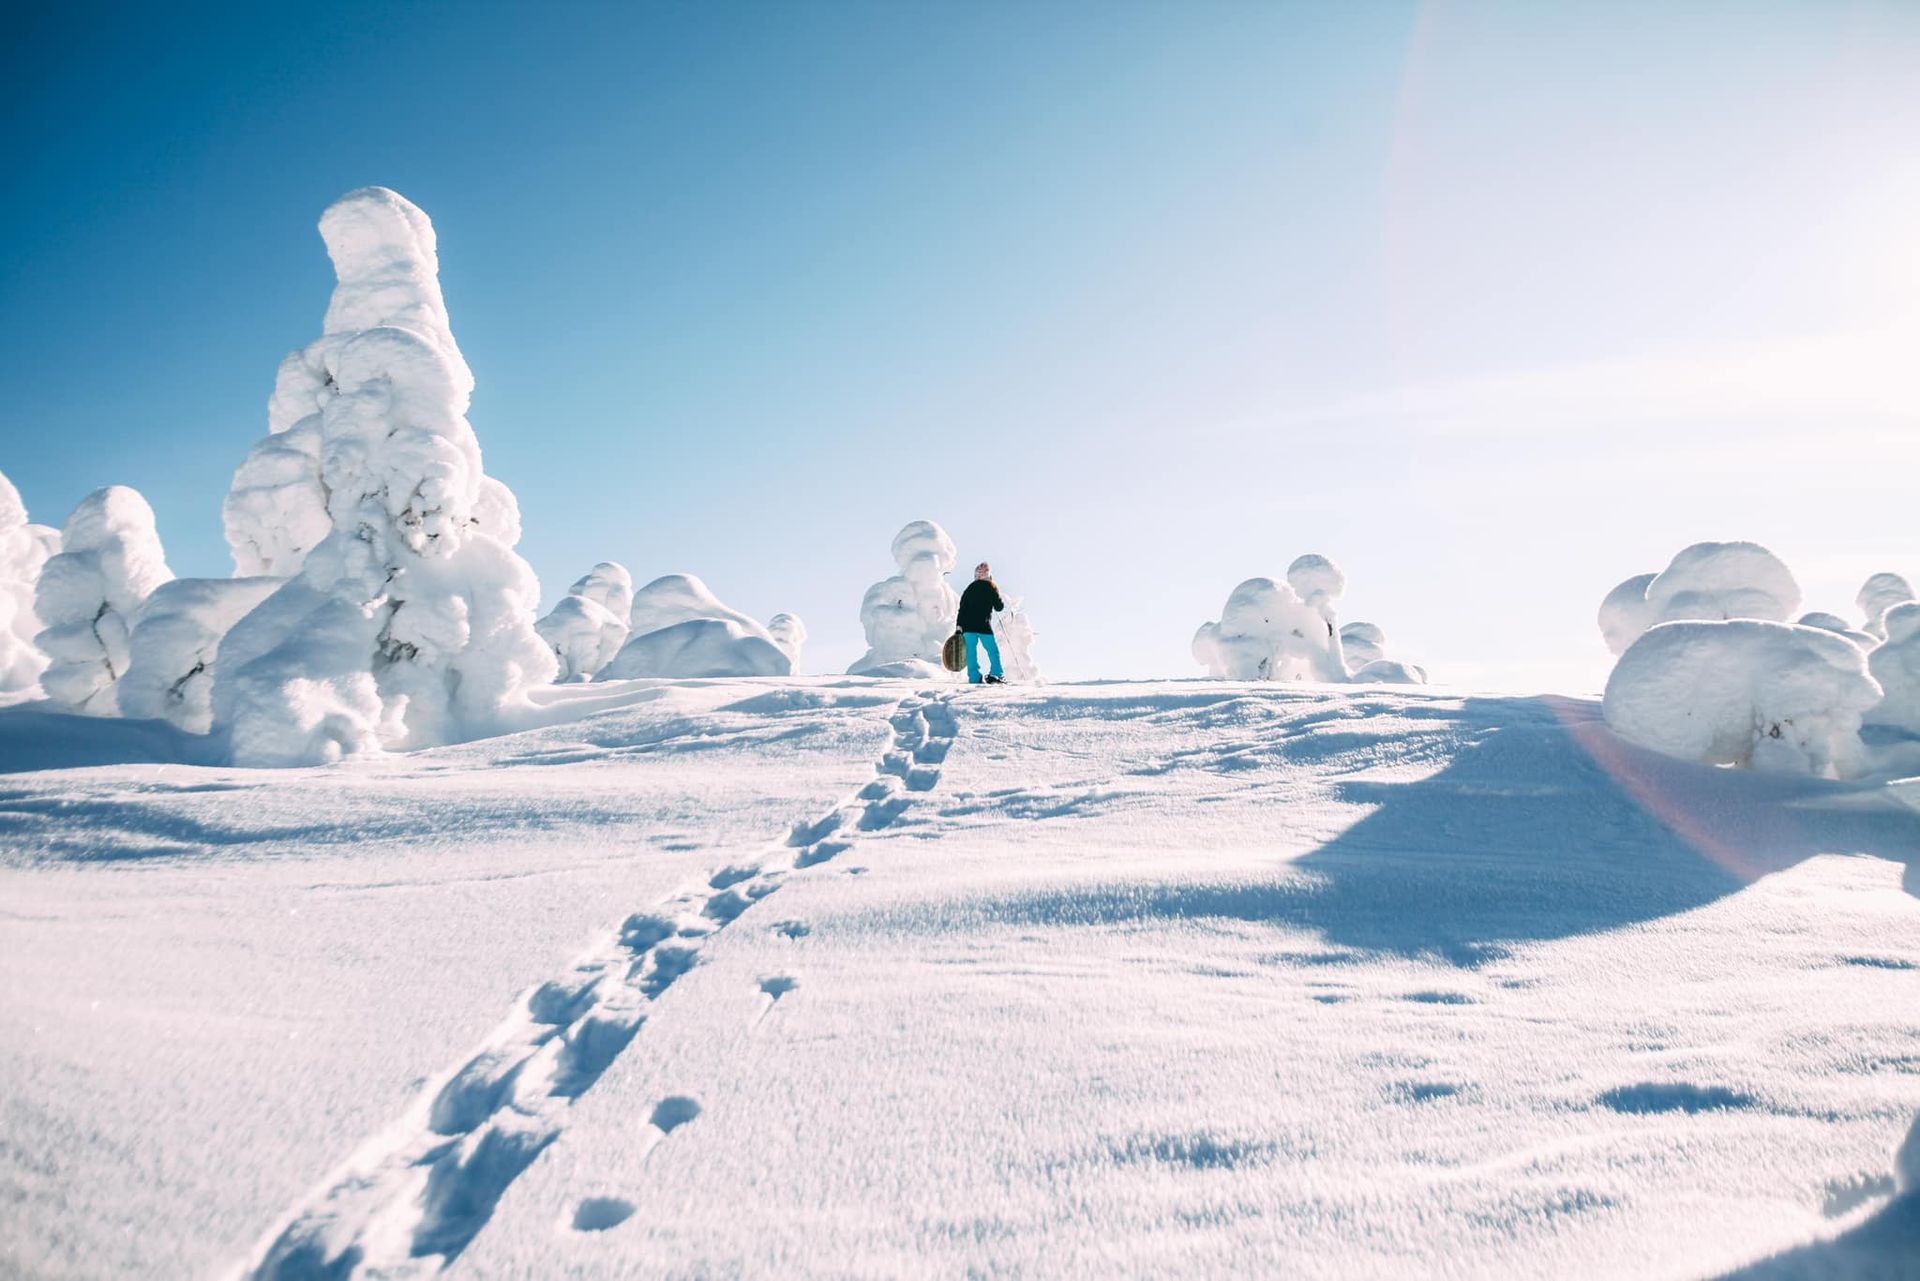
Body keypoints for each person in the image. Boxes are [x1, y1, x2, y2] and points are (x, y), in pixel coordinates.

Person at [956, 562, 1006, 684]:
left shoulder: (969, 589)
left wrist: (959, 627)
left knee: (971, 653)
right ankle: (996, 674)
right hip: (984, 626)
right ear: (988, 575)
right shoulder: (990, 587)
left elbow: (962, 609)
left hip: (968, 627)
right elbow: (999, 607)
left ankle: (974, 677)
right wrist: (996, 592)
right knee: (993, 651)